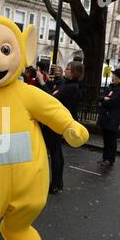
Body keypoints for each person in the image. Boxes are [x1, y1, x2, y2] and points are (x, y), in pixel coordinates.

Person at [46, 61, 83, 193]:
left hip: (57, 122)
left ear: (74, 73)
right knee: (57, 152)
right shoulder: (66, 84)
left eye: (68, 69)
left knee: (55, 153)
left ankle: (55, 184)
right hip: (58, 121)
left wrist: (43, 83)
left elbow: (51, 100)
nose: (65, 71)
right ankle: (58, 182)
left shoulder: (71, 87)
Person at [97, 68, 120, 165]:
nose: (112, 77)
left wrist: (105, 100)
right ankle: (104, 157)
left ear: (119, 77)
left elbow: (113, 102)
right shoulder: (110, 87)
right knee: (106, 139)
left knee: (111, 140)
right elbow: (100, 97)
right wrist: (104, 99)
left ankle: (110, 159)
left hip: (113, 118)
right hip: (105, 117)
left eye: (114, 75)